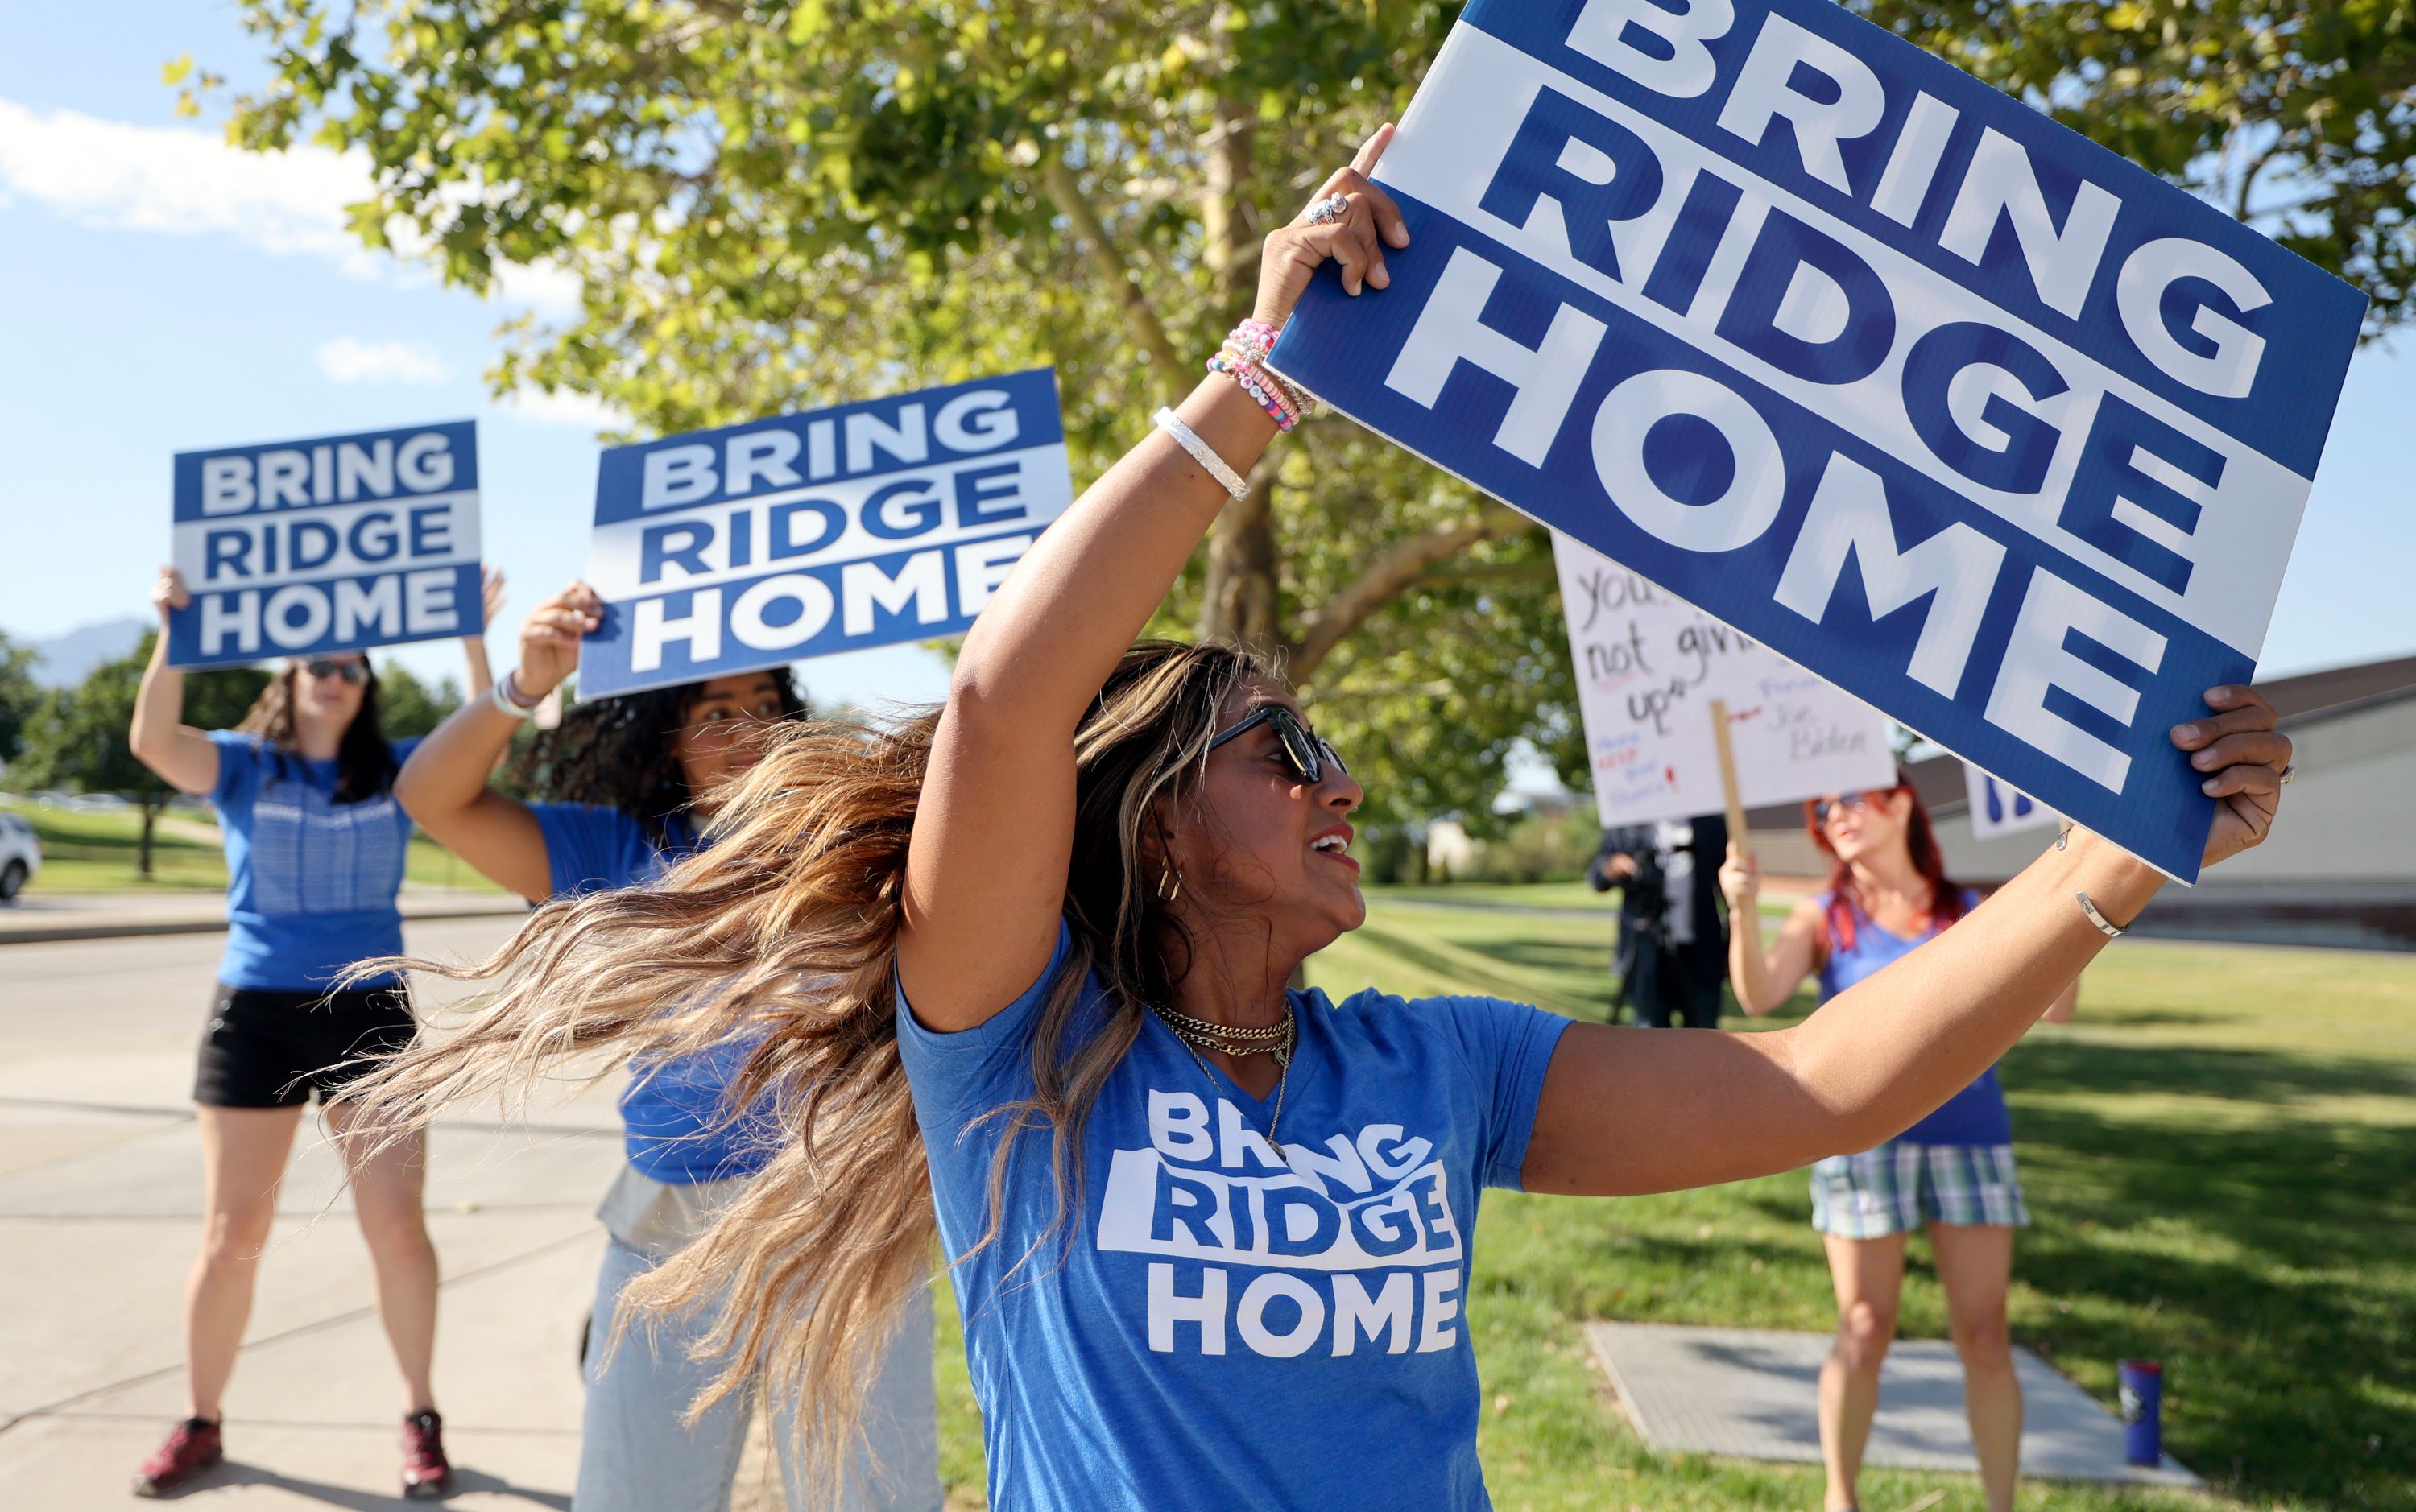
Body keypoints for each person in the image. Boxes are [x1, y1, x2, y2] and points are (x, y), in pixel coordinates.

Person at [343, 130, 2294, 1510]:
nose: (1342, 779)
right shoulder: (1014, 1043)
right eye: (1283, 750)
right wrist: (1259, 375)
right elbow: (1013, 703)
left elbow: (1815, 1086)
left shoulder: (1438, 1067)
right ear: (1160, 829)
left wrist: (2111, 856)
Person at [387, 595, 942, 1512]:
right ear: (667, 742)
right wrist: (528, 681)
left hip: (841, 1221)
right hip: (665, 1227)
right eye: (716, 711)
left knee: (870, 1501)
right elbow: (428, 797)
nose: (749, 728)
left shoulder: (861, 839)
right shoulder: (612, 850)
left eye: (767, 702)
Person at [124, 564, 500, 1498]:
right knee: (231, 1235)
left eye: (353, 664)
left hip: (368, 1014)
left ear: (368, 685)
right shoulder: (243, 765)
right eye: (317, 661)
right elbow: (150, 738)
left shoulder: (402, 773)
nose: (334, 674)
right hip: (254, 1015)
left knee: (398, 1233)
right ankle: (201, 1421)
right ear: (289, 677)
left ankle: (421, 1418)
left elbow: (490, 749)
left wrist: (470, 638)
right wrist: (175, 630)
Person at [1723, 779, 2081, 1512]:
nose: (1836, 814)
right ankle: (1840, 1498)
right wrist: (1742, 905)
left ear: (1902, 805)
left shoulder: (1968, 912)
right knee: (1863, 1328)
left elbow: (2059, 1006)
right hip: (1861, 1145)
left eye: (1854, 799)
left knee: (1984, 1334)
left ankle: (2000, 1505)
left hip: (1970, 1140)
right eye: (1824, 808)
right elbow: (1759, 997)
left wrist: (2078, 875)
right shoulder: (1825, 916)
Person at [1589, 813, 1728, 1027]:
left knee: (1704, 1036)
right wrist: (1612, 866)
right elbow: (1597, 875)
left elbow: (1727, 887)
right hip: (1646, 948)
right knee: (1649, 1037)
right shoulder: (1629, 820)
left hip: (1701, 951)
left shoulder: (1710, 822)